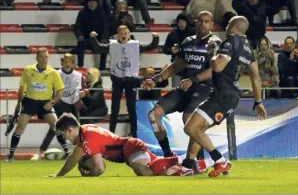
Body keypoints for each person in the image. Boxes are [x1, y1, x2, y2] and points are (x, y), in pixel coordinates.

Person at [171, 16, 267, 177]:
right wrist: (258, 101)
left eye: (229, 24)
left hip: (221, 96)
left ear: (234, 27)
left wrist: (212, 52)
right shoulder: (248, 49)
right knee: (198, 129)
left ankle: (220, 161)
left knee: (191, 128)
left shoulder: (229, 43)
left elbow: (217, 66)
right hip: (230, 96)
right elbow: (256, 78)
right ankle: (188, 165)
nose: (227, 26)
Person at [141, 11, 221, 158]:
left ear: (212, 25)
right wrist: (155, 80)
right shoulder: (188, 41)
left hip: (205, 88)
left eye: (206, 21)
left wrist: (193, 79)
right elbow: (177, 65)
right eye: (200, 21)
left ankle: (199, 160)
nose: (202, 24)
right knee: (153, 114)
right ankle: (168, 154)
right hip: (186, 86)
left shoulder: (214, 43)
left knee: (189, 119)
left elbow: (215, 69)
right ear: (196, 22)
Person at [49, 113, 213, 177]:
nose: (64, 138)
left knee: (144, 172)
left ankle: (180, 169)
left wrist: (87, 175)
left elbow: (100, 169)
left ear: (69, 130)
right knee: (154, 166)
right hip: (129, 148)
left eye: (63, 134)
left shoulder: (86, 139)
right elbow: (73, 158)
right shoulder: (84, 133)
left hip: (131, 149)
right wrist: (59, 175)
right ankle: (195, 162)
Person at [90, 25, 159, 136]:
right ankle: (111, 134)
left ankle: (135, 135)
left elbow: (150, 47)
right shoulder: (113, 45)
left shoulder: (134, 45)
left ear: (129, 34)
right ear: (118, 35)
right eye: (122, 33)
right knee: (115, 109)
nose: (124, 35)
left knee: (131, 109)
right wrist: (93, 38)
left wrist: (155, 38)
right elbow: (98, 48)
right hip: (117, 79)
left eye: (126, 33)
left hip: (130, 80)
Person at [5, 48, 65, 162]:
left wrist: (52, 102)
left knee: (56, 126)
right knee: (20, 127)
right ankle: (11, 156)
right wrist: (18, 104)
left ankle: (67, 153)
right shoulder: (28, 70)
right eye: (42, 57)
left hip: (45, 102)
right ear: (37, 58)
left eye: (46, 57)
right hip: (30, 101)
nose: (44, 59)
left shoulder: (53, 72)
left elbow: (60, 91)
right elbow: (21, 88)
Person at [31, 53, 84, 160]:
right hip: (59, 103)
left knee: (78, 129)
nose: (67, 64)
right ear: (62, 62)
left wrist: (79, 99)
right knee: (54, 128)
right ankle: (41, 152)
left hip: (73, 103)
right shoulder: (55, 73)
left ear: (73, 63)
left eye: (70, 61)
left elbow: (78, 91)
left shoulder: (78, 75)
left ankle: (83, 151)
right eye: (65, 61)